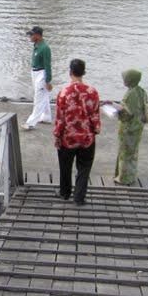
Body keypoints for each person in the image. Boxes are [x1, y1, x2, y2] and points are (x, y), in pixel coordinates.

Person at [53, 59, 101, 205]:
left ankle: (65, 192)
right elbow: (94, 115)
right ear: (84, 72)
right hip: (86, 138)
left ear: (70, 73)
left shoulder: (63, 93)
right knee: (84, 168)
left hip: (68, 137)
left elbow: (60, 118)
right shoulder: (92, 92)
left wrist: (57, 135)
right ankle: (79, 197)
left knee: (65, 166)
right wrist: (96, 129)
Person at [111, 69, 148, 185]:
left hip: (129, 128)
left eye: (125, 79)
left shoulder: (130, 94)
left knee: (125, 152)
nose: (124, 81)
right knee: (132, 152)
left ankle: (124, 177)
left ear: (130, 80)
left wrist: (115, 108)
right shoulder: (141, 91)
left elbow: (127, 113)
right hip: (138, 127)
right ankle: (129, 175)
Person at [24, 26, 52, 130]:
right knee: (43, 96)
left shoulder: (45, 48)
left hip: (41, 73)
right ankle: (47, 117)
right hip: (35, 72)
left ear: (38, 35)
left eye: (32, 35)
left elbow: (48, 65)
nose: (30, 37)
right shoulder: (36, 45)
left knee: (38, 99)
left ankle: (30, 123)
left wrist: (48, 80)